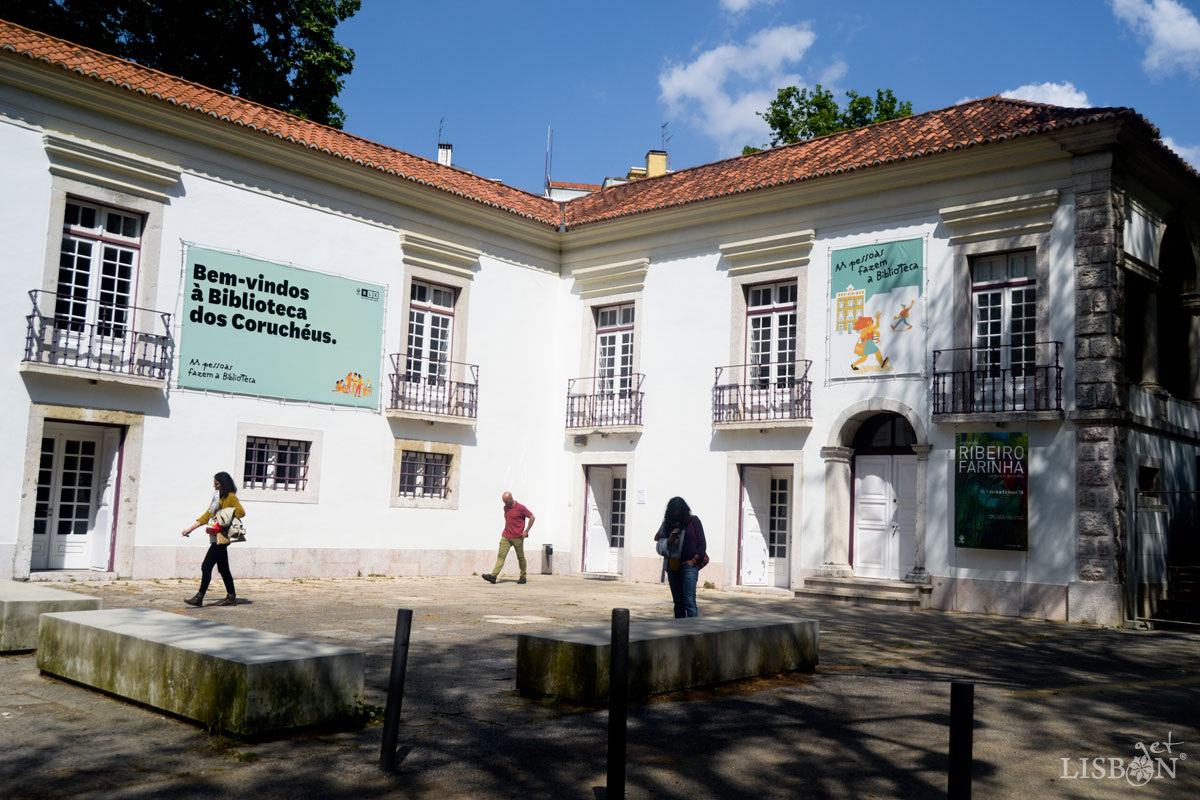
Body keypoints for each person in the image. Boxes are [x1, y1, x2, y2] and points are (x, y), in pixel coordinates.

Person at [180, 471, 245, 607]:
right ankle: (231, 597)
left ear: (223, 484)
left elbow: (241, 512)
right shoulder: (216, 496)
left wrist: (224, 515)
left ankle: (199, 597)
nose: (214, 485)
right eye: (214, 483)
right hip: (215, 536)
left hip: (222, 537)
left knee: (206, 566)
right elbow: (207, 515)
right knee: (223, 569)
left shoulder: (230, 497)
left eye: (216, 483)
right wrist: (191, 528)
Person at [653, 496, 707, 618]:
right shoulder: (667, 524)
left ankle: (693, 633)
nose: (677, 516)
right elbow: (659, 546)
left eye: (679, 513)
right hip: (672, 566)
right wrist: (670, 539)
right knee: (678, 603)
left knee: (689, 602)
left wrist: (694, 560)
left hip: (689, 567)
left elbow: (702, 544)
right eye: (674, 514)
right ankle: (680, 631)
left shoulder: (693, 521)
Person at [481, 491, 534, 584]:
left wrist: (526, 531)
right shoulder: (505, 508)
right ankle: (493, 576)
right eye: (504, 502)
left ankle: (523, 576)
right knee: (501, 556)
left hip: (518, 537)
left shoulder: (521, 508)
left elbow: (532, 517)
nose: (505, 504)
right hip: (506, 536)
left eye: (506, 502)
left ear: (511, 499)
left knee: (520, 557)